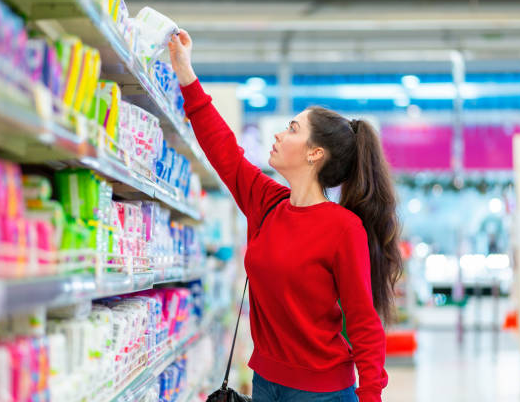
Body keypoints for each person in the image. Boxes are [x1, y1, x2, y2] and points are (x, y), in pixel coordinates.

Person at [168, 30, 403, 402]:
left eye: (292, 129)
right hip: (265, 383)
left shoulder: (343, 229)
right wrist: (185, 71)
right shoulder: (266, 202)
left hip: (322, 393)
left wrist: (371, 394)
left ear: (315, 153)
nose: (277, 135)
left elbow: (363, 322)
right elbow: (223, 150)